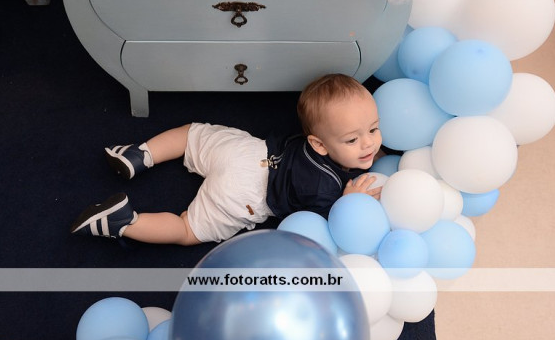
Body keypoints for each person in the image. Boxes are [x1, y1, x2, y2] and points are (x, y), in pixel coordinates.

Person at [71, 74, 383, 245]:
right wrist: (347, 204)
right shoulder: (327, 189)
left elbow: (347, 141)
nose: (368, 143)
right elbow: (330, 226)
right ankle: (124, 222)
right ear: (319, 144)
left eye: (373, 129)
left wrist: (358, 149)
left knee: (190, 134)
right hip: (246, 198)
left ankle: (141, 154)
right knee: (187, 230)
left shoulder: (320, 139)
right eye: (353, 140)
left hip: (248, 152)